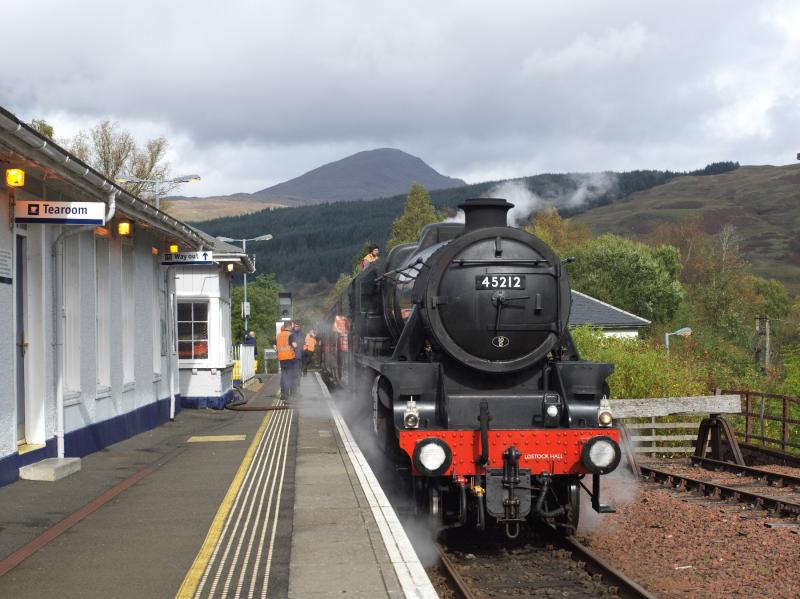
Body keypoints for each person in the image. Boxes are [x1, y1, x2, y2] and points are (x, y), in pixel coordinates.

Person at [274, 322, 297, 400]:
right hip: (290, 357)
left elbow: (274, 346)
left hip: (281, 358)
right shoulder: (290, 334)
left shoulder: (278, 335)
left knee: (284, 375)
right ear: (290, 326)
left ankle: (283, 395)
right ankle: (291, 395)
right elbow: (294, 345)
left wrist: (278, 352)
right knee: (290, 375)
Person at [292, 321, 303, 393]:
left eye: (298, 326)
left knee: (298, 372)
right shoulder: (291, 334)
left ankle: (297, 387)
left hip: (299, 356)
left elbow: (303, 343)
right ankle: (294, 389)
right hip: (292, 356)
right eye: (295, 326)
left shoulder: (302, 334)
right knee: (293, 372)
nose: (296, 327)